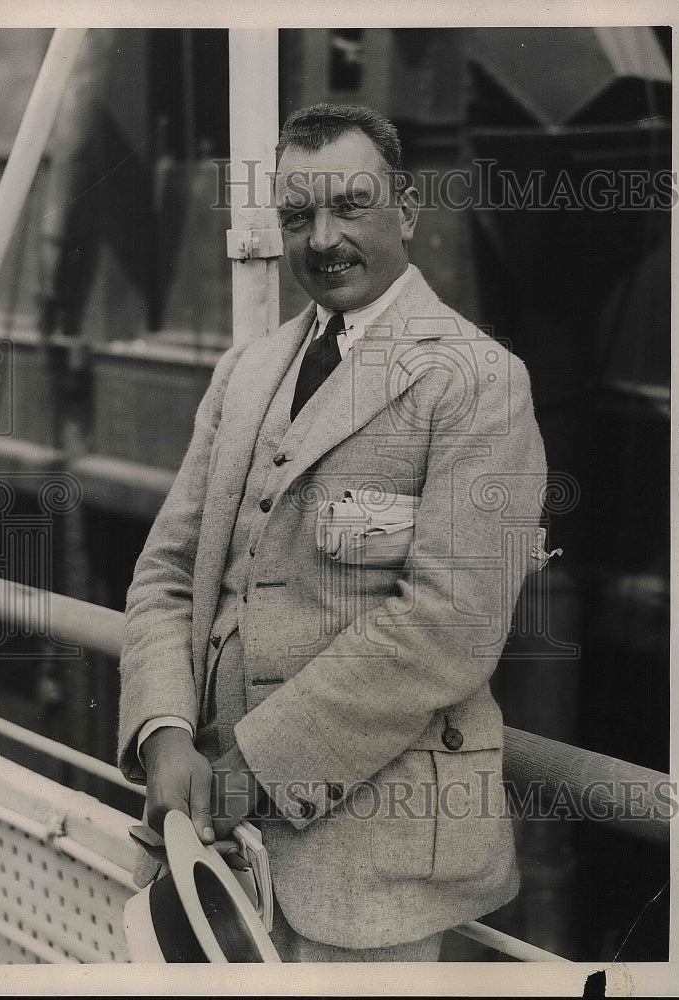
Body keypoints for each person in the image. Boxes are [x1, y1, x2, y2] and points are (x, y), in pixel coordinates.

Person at [118, 103, 548, 962]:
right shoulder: (245, 372)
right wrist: (163, 731)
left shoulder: (478, 381)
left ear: (406, 212)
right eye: (297, 215)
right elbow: (165, 573)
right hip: (210, 851)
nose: (323, 239)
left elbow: (449, 628)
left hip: (370, 876)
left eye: (350, 206)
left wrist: (252, 768)